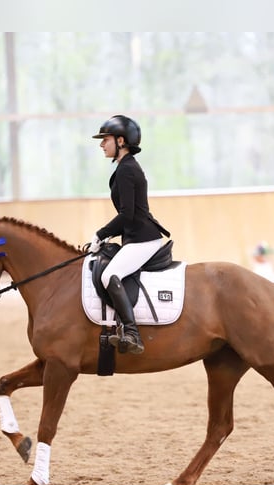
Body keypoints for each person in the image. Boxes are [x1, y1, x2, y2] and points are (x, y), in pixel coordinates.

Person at [88, 114, 170, 355]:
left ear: (121, 141)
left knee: (110, 275)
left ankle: (132, 333)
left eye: (106, 139)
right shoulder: (125, 167)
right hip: (135, 235)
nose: (102, 144)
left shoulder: (126, 170)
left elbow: (128, 214)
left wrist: (101, 233)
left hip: (143, 237)